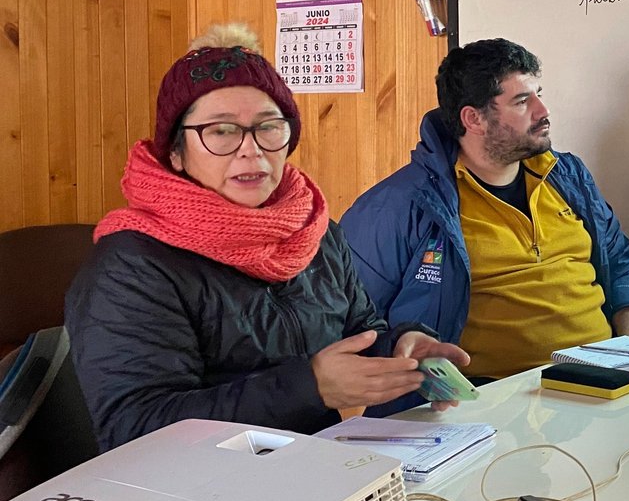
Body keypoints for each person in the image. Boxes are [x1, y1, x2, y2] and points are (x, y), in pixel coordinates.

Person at [65, 25, 469, 451]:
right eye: (221, 131)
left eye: (268, 127)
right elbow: (135, 429)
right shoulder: (132, 264)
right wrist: (309, 388)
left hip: (314, 464)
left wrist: (400, 347)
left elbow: (360, 332)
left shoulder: (313, 232)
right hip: (195, 497)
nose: (250, 150)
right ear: (176, 153)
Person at [340, 38, 629, 381]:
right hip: (486, 399)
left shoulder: (569, 176)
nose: (543, 111)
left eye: (538, 94)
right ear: (474, 119)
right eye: (521, 101)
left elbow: (618, 262)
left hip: (604, 381)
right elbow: (356, 321)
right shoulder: (397, 206)